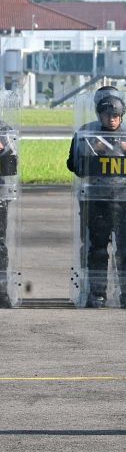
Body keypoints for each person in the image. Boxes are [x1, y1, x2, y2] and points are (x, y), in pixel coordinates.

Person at [67, 87, 126, 309]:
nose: (111, 120)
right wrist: (93, 150)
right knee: (97, 249)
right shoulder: (86, 133)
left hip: (125, 201)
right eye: (106, 115)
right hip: (96, 201)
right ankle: (97, 294)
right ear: (98, 114)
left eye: (115, 116)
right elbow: (74, 166)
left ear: (122, 115)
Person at [0, 91, 19, 308]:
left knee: (0, 246)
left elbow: (12, 166)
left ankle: (2, 291)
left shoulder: (4, 131)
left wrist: (4, 152)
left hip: (0, 196)